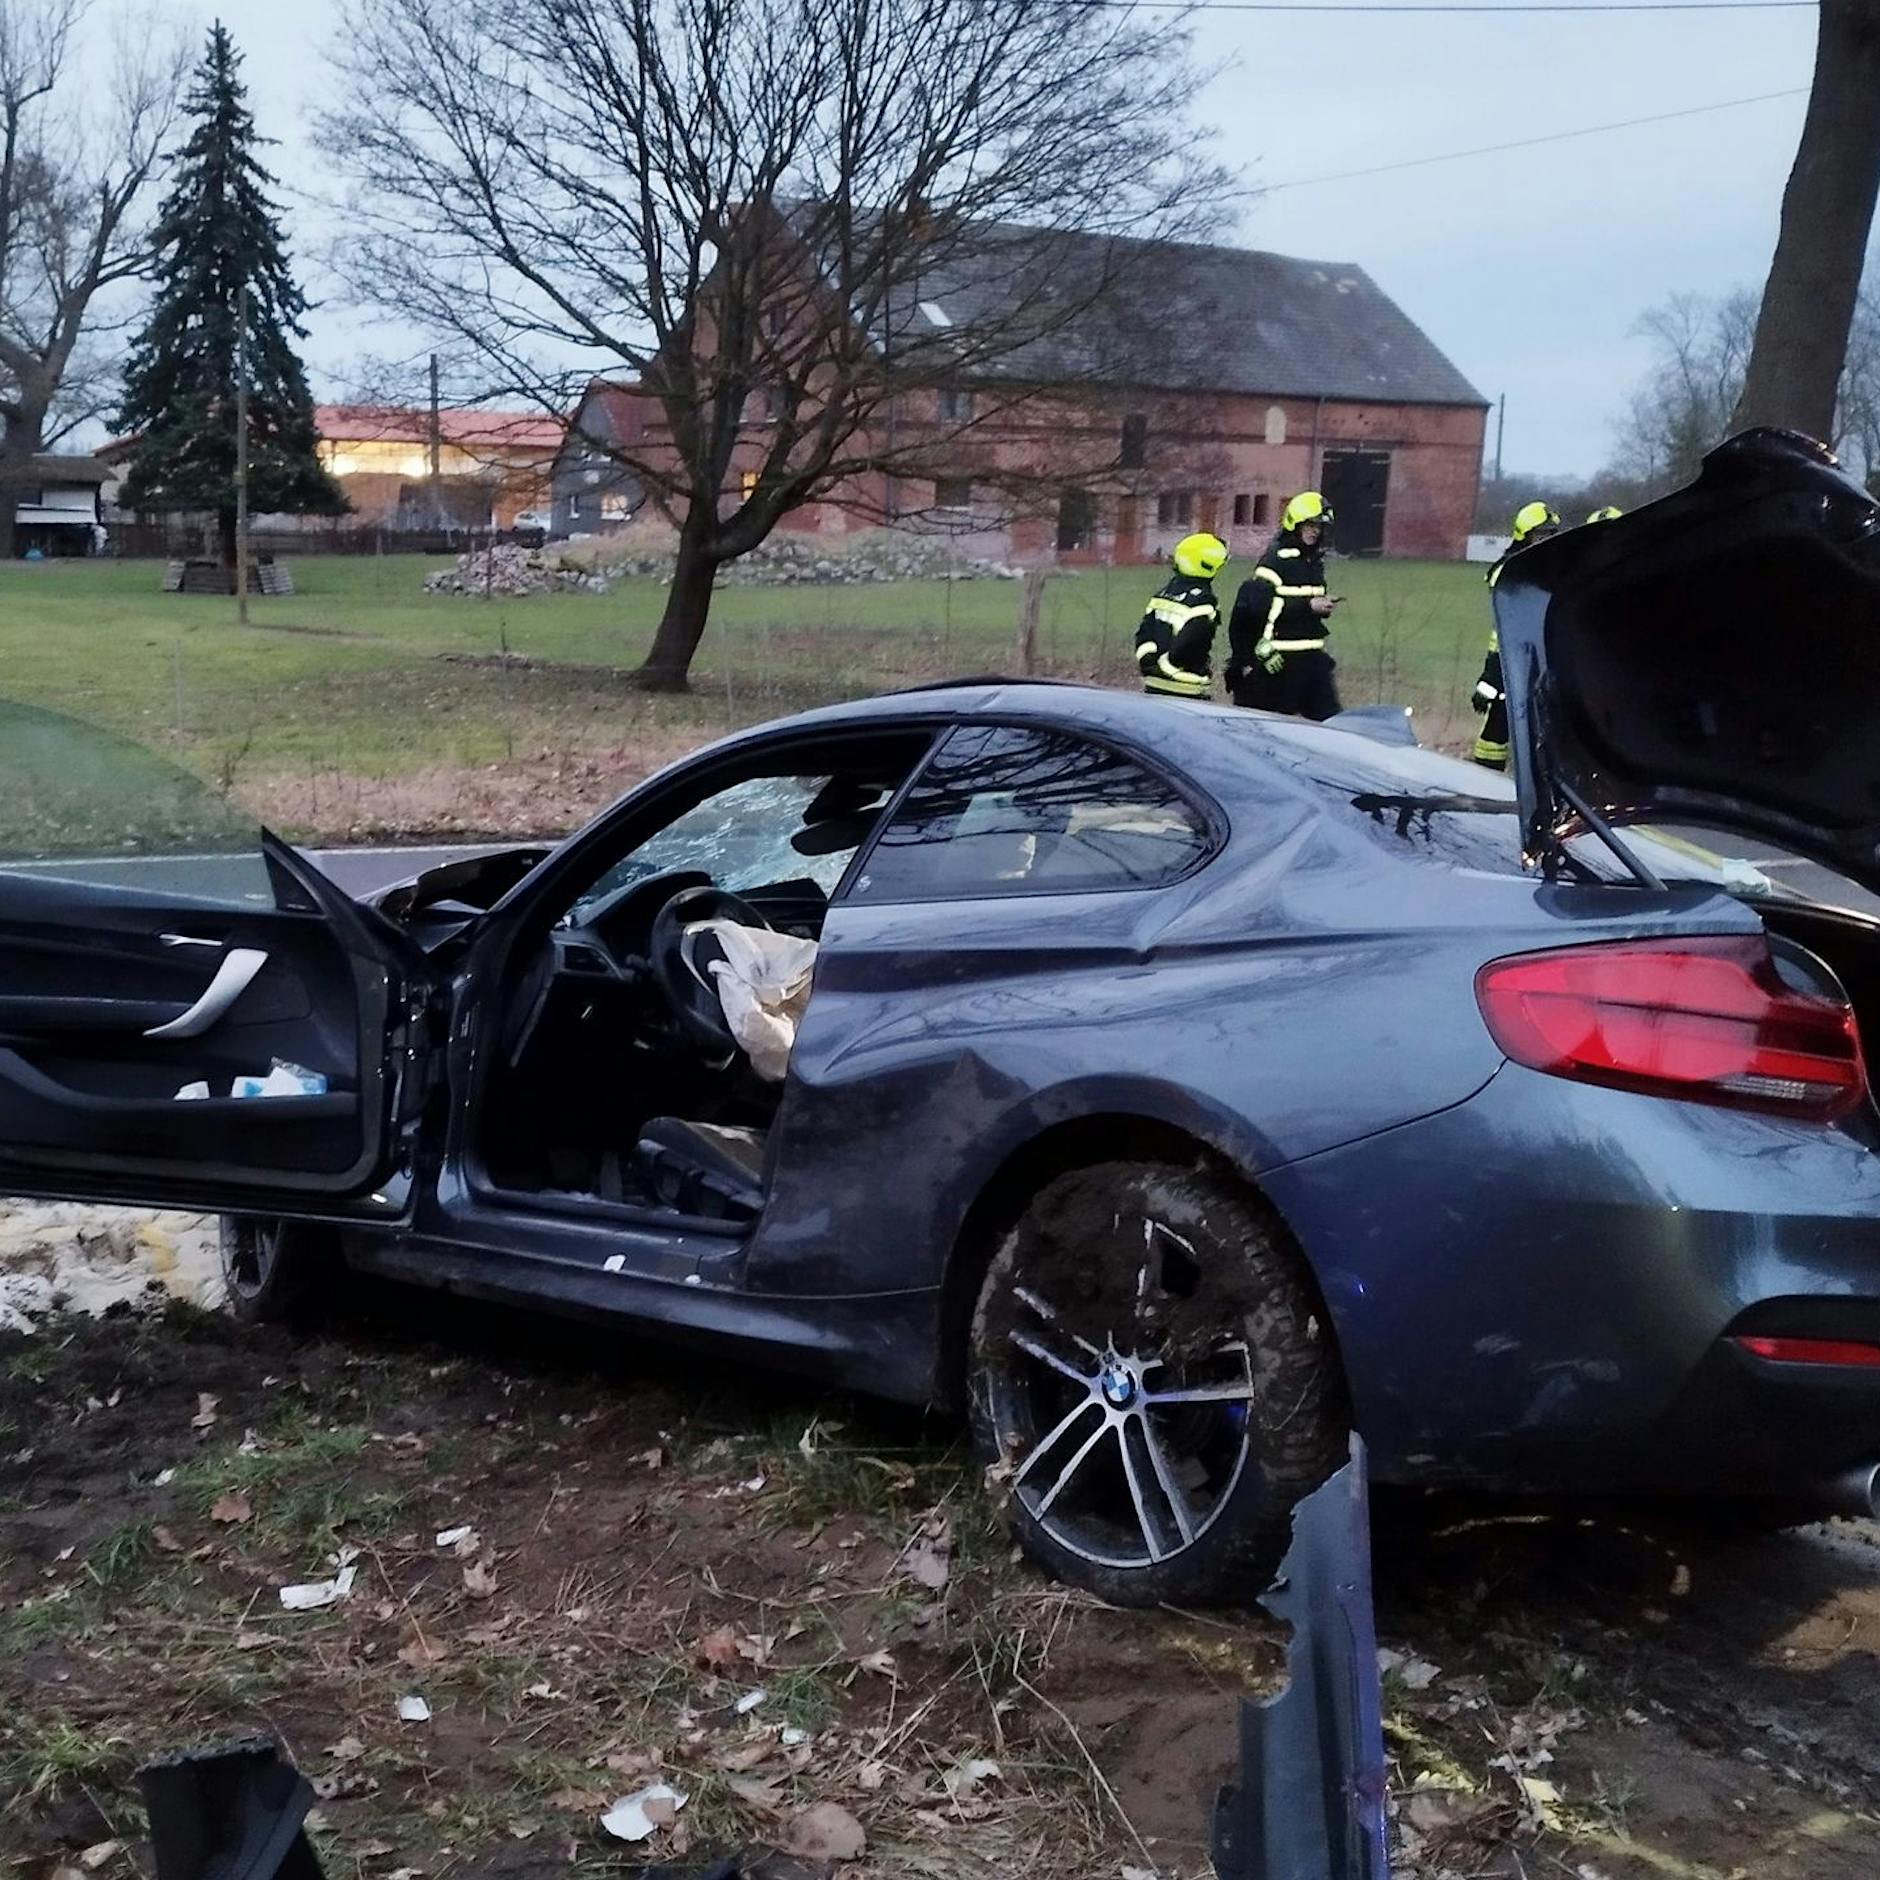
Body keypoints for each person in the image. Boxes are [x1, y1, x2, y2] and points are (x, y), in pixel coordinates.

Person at [1227, 491, 1343, 719]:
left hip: (1313, 663)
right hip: (1279, 666)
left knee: (1331, 728)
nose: (1315, 532)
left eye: (1319, 527)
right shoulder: (1275, 562)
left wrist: (1322, 607)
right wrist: (1308, 607)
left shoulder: (1313, 564)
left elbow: (1300, 606)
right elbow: (1255, 611)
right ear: (1295, 524)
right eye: (1310, 525)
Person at [1470, 500, 1561, 769]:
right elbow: (1505, 627)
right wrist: (1490, 678)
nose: (1547, 540)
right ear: (1525, 535)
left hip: (1541, 655)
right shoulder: (1509, 570)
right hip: (1511, 658)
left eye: (1550, 534)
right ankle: (1482, 778)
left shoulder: (1546, 565)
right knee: (1500, 723)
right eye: (1541, 534)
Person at [1135, 530, 1228, 699]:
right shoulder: (1203, 602)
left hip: (1153, 685)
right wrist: (1168, 668)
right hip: (1186, 688)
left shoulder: (1162, 594)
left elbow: (1143, 634)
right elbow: (1190, 645)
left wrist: (1149, 663)